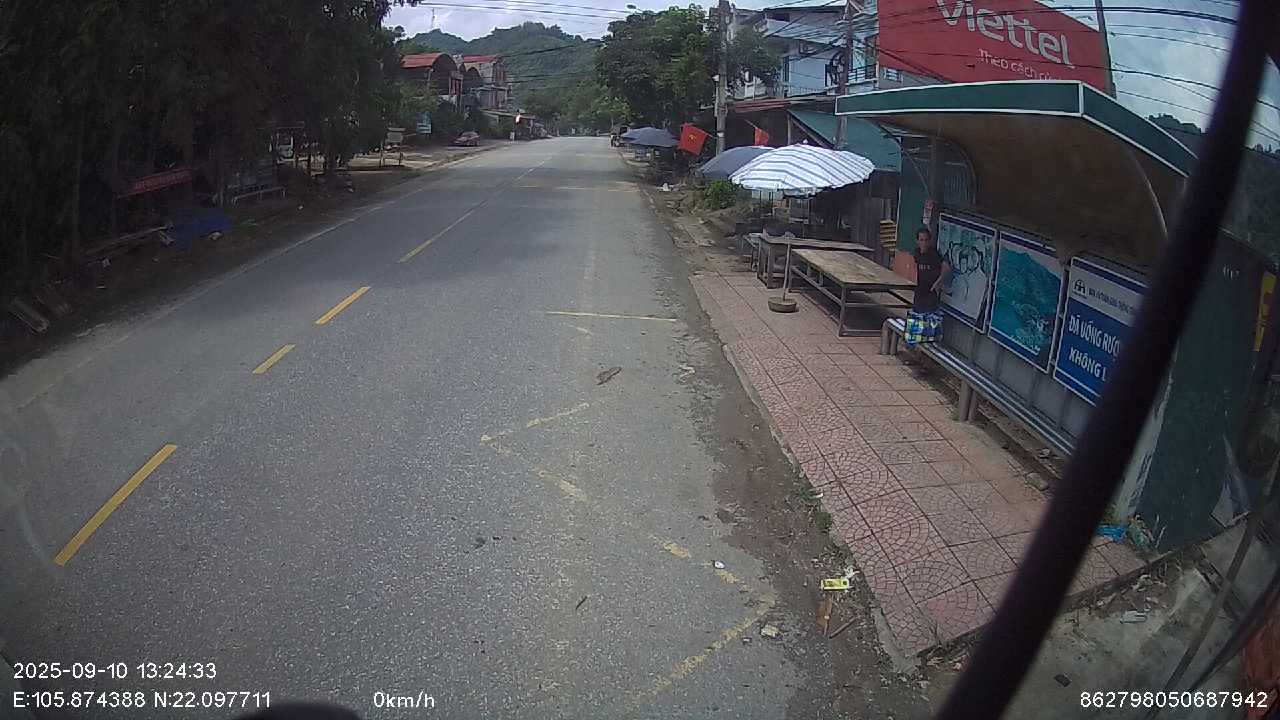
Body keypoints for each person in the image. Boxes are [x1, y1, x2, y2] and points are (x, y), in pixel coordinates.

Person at [904, 227, 950, 347]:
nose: (924, 243)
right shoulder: (916, 253)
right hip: (919, 291)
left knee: (928, 322)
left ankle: (927, 346)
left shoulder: (933, 254)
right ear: (917, 241)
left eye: (926, 240)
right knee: (917, 319)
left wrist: (938, 283)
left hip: (930, 294)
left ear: (929, 241)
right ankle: (914, 346)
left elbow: (946, 268)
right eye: (921, 240)